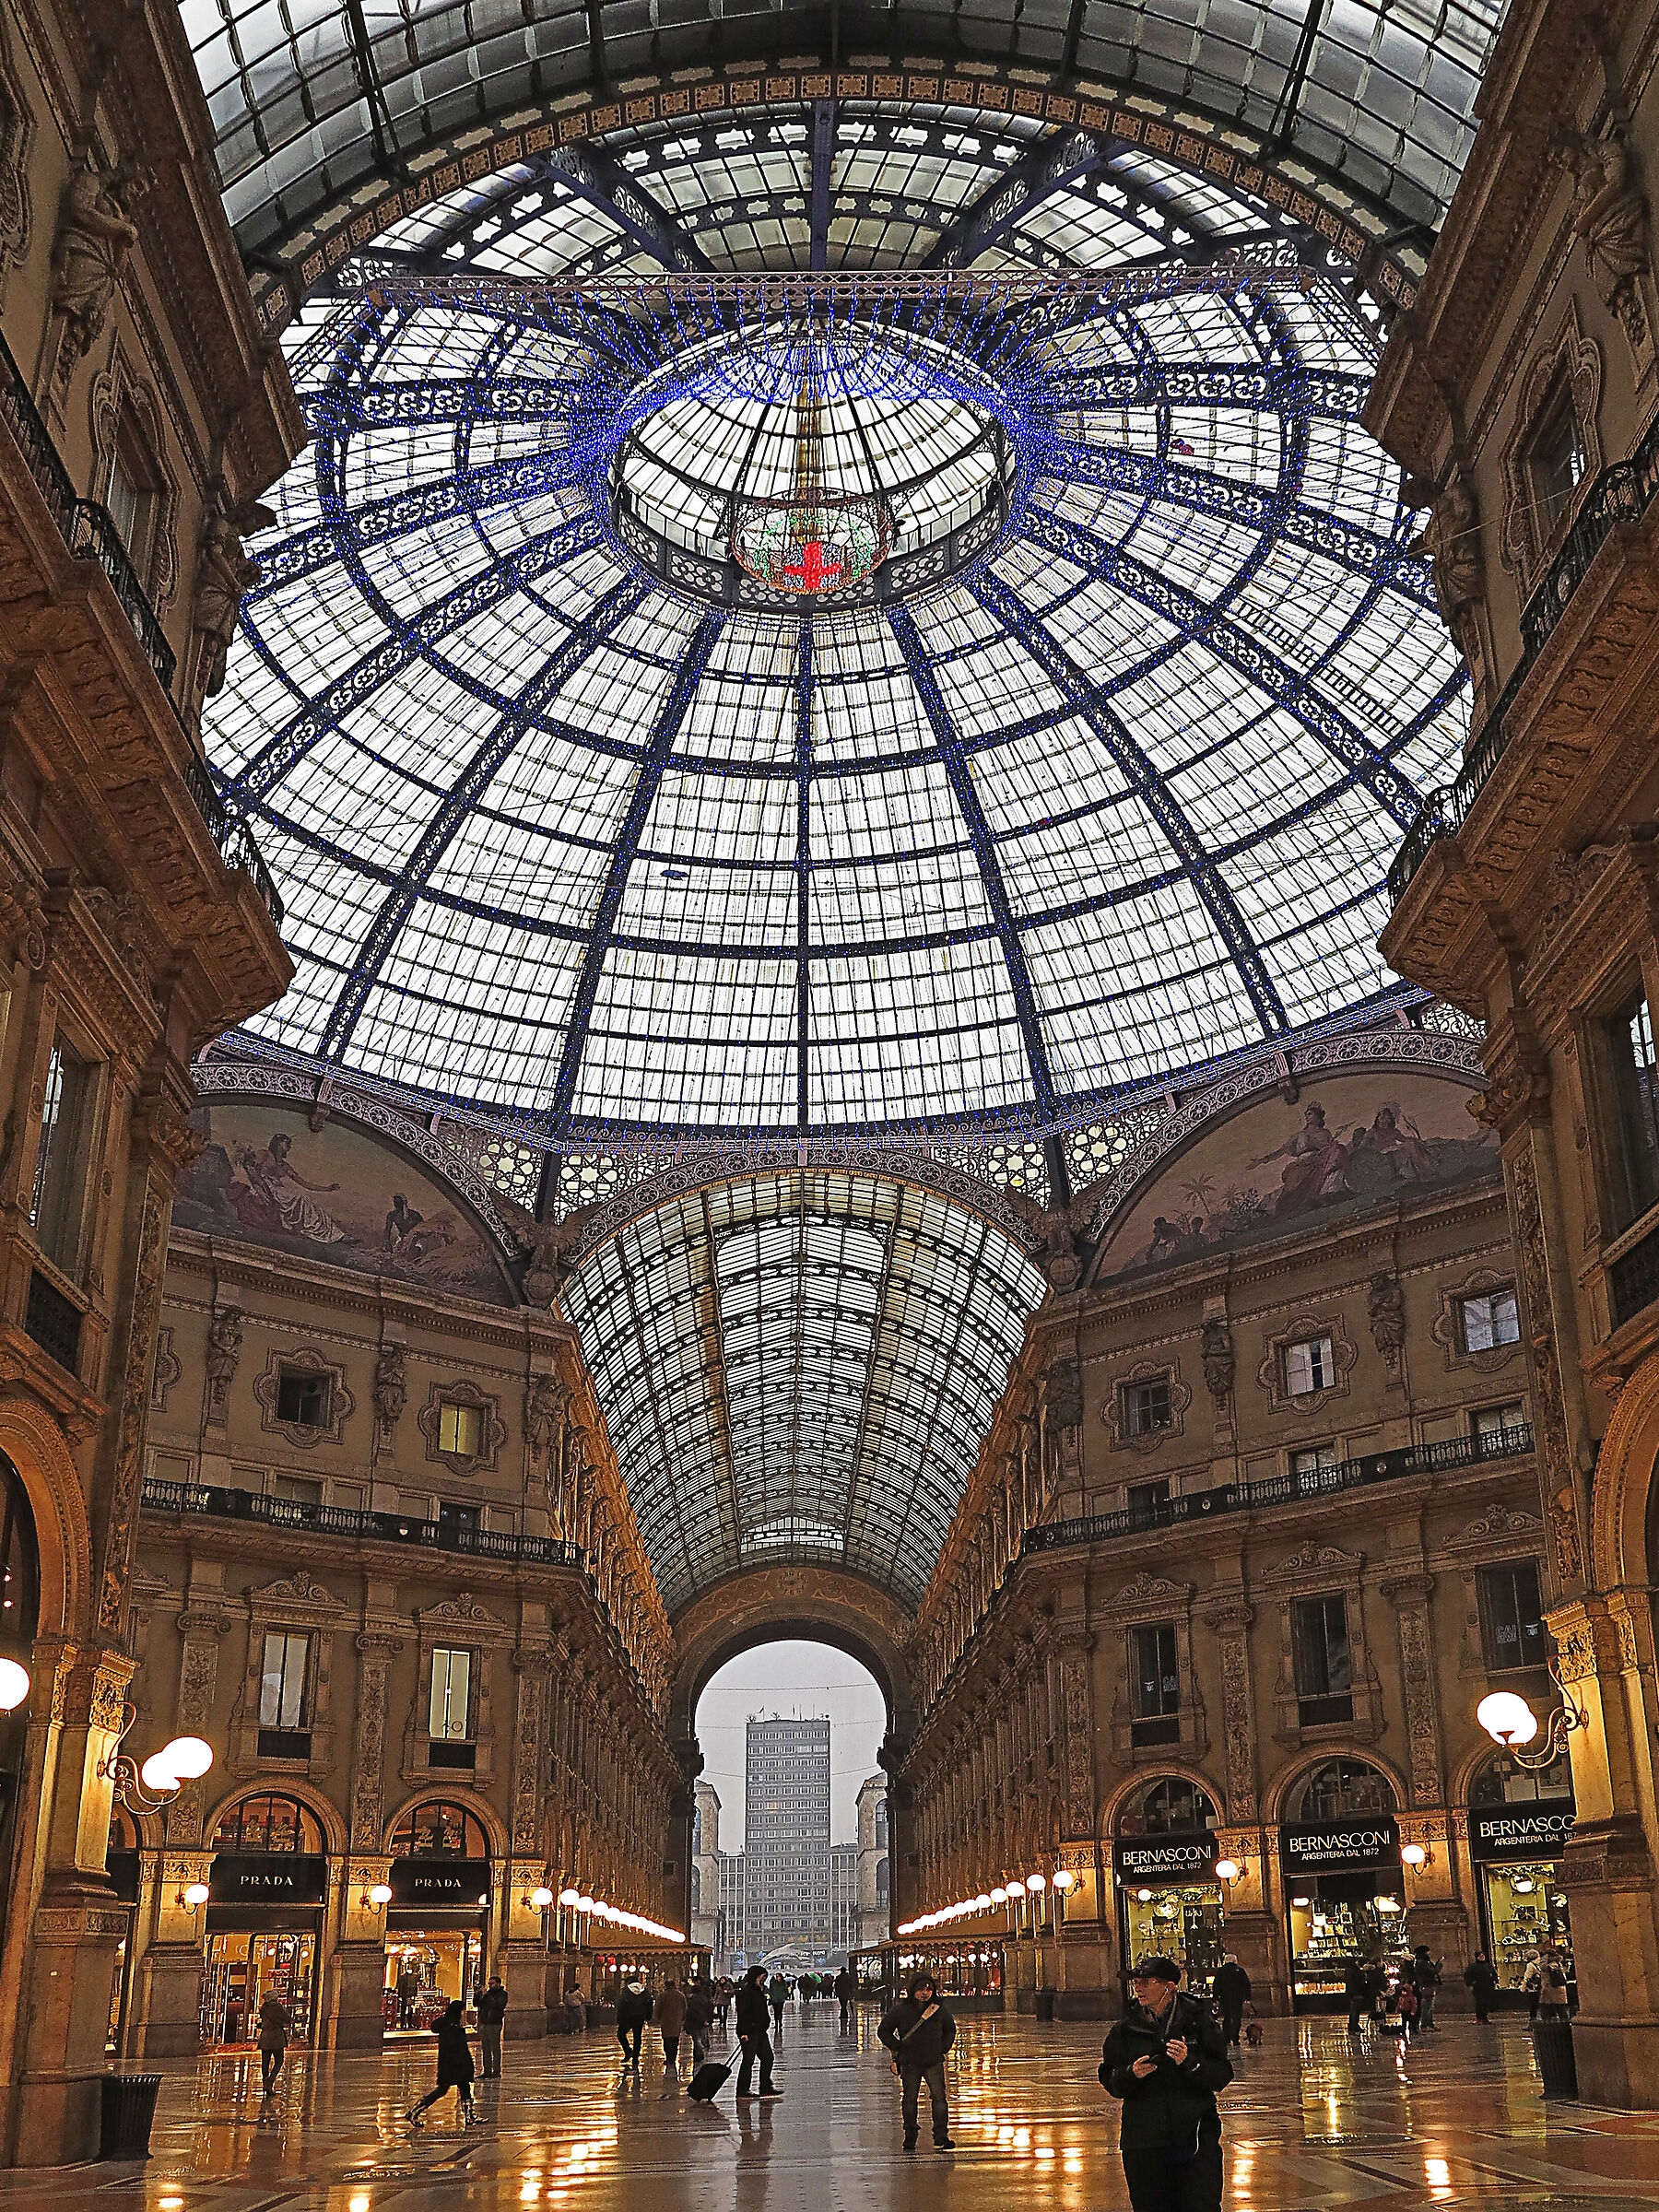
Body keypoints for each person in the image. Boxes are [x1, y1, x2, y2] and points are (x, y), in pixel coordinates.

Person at [1100, 1957, 1232, 2212]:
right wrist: (1131, 2073)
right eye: (1136, 1982)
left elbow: (1221, 2075)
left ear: (1168, 1986)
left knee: (1200, 2204)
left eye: (1146, 1982)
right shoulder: (1126, 2028)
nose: (1138, 1987)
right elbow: (1109, 2077)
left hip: (1194, 2139)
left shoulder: (1199, 2023)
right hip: (1144, 2141)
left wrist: (1190, 2062)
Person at [877, 1971, 957, 2153]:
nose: (925, 1993)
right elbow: (883, 2030)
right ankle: (910, 2134)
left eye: (928, 1989)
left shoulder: (938, 2008)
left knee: (939, 2097)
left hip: (933, 2060)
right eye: (921, 1989)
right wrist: (897, 2046)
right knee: (910, 2098)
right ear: (913, 1990)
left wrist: (943, 2047)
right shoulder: (901, 2010)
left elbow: (950, 2029)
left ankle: (941, 2135)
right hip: (910, 2061)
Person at [408, 1998, 475, 2127]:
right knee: (442, 2090)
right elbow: (458, 2049)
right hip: (453, 2065)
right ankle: (415, 2111)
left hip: (452, 2065)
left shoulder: (451, 2025)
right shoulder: (451, 2027)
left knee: (464, 2087)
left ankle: (469, 2115)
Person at [735, 1965, 782, 2099]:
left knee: (768, 2057)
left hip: (760, 2031)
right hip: (750, 2031)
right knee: (748, 2060)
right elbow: (743, 2013)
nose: (764, 1979)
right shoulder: (747, 1991)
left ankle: (765, 2086)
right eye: (763, 1976)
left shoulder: (758, 1990)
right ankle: (742, 2089)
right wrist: (743, 2032)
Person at [256, 1992, 291, 2102]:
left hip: (265, 2037)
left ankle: (265, 2085)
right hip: (276, 2037)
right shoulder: (278, 2007)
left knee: (265, 2063)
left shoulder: (263, 2009)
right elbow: (288, 2019)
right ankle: (270, 2081)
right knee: (279, 2061)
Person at [1211, 1955, 1251, 2048]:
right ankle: (1235, 2038)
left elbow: (1216, 1985)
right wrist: (1248, 1997)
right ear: (1234, 1960)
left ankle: (1227, 2038)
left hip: (1225, 1998)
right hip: (1237, 1998)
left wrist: (1215, 1998)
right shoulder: (1239, 1970)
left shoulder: (1221, 1971)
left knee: (1227, 2017)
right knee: (1237, 2018)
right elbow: (1246, 1984)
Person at [656, 1974, 687, 2093]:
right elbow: (685, 2008)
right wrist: (681, 2019)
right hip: (677, 2022)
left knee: (666, 2040)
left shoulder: (662, 1996)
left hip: (665, 2021)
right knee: (675, 2040)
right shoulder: (680, 1995)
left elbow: (658, 2009)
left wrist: (658, 2018)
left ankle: (669, 2058)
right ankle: (673, 2057)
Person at [616, 1979, 652, 2070]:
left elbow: (621, 2005)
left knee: (620, 2034)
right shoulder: (644, 1991)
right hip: (639, 2017)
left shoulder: (626, 1991)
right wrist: (648, 2016)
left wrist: (619, 2018)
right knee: (637, 2037)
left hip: (627, 2017)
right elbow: (649, 2003)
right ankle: (635, 2058)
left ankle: (628, 2051)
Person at [477, 1975, 508, 2078]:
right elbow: (477, 2004)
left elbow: (497, 2005)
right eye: (489, 1983)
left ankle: (496, 2071)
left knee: (495, 2047)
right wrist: (477, 1994)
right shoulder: (488, 1994)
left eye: (492, 1983)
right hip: (484, 2022)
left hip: (494, 2023)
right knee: (485, 2048)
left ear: (498, 1984)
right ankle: (487, 2070)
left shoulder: (503, 1994)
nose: (490, 1986)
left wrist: (487, 1996)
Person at [685, 1979, 714, 2070]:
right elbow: (710, 2010)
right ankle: (699, 2053)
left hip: (695, 2022)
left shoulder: (692, 2001)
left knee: (696, 2039)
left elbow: (690, 2013)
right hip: (703, 2022)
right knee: (701, 2038)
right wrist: (708, 2020)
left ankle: (699, 2054)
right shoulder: (705, 1999)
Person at [1411, 1945, 1442, 2030]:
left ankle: (1430, 2024)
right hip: (1426, 1985)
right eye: (1427, 1952)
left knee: (1430, 2005)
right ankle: (1425, 2025)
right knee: (1427, 2006)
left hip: (1429, 1985)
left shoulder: (1424, 1962)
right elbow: (1432, 1972)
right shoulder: (1422, 1963)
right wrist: (1439, 1965)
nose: (1429, 1954)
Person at [1463, 1952, 1499, 2024]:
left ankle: (1485, 2017)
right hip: (1478, 1987)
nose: (1482, 1957)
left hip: (1488, 1987)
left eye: (1483, 1955)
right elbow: (1468, 1976)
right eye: (1480, 1956)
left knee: (1486, 2002)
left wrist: (1495, 1981)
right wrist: (1470, 1984)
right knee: (1480, 2003)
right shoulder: (1473, 1967)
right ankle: (1479, 2018)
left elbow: (1494, 1974)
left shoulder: (1488, 1966)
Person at [1343, 1958, 1369, 2039]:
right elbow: (1358, 1980)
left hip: (1352, 1993)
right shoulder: (1355, 1970)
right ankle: (1354, 2025)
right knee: (1356, 2009)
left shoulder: (1348, 1971)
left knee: (1354, 2009)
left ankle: (1353, 2025)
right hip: (1356, 1992)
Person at [397, 1960, 421, 2030]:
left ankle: (410, 2024)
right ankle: (402, 2024)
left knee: (410, 2011)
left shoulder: (414, 1977)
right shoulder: (402, 1977)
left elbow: (415, 1986)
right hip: (404, 1995)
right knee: (403, 2010)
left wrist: (415, 1995)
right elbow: (400, 1987)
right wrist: (400, 1996)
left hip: (411, 1995)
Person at [1523, 1950, 1543, 2020]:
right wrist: (1523, 1987)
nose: (1539, 1958)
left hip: (1536, 1988)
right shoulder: (1531, 1965)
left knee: (1534, 2005)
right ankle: (1532, 2021)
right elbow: (1527, 1977)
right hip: (1533, 1988)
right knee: (1533, 2005)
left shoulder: (1536, 1965)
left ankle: (1533, 2021)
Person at [835, 1963, 855, 2030]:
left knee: (843, 2005)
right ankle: (844, 2014)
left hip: (841, 1994)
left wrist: (836, 1993)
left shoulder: (838, 1978)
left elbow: (836, 1986)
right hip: (847, 1993)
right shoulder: (848, 1977)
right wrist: (851, 1993)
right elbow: (851, 1985)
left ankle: (844, 2015)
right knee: (844, 2004)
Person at [769, 1971, 788, 2036]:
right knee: (776, 2012)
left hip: (781, 2000)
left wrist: (784, 1996)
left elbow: (786, 1990)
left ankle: (780, 2022)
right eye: (776, 1976)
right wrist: (772, 1996)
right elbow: (770, 1990)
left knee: (779, 2012)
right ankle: (776, 2023)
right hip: (775, 2000)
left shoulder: (783, 1983)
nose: (777, 1978)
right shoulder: (773, 1983)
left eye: (778, 1976)